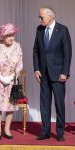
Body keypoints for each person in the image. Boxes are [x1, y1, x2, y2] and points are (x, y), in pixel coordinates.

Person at [33, 6, 72, 141]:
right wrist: (36, 69)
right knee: (44, 104)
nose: (39, 19)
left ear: (50, 17)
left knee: (59, 104)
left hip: (58, 75)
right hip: (43, 74)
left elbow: (67, 53)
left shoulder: (62, 30)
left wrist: (64, 72)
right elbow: (36, 50)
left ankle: (60, 133)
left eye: (41, 17)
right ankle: (45, 132)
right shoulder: (39, 29)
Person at [0, 23, 23, 140]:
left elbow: (20, 64)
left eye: (13, 35)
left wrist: (11, 76)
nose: (12, 38)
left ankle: (7, 129)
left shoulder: (17, 46)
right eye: (9, 35)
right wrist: (0, 76)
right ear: (2, 36)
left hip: (11, 81)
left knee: (11, 106)